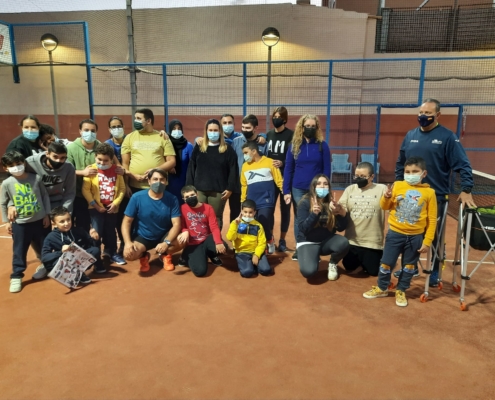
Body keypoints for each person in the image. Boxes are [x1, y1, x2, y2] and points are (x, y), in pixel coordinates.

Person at [394, 98, 475, 286]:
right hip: (410, 196)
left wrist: (466, 189)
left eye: (428, 113)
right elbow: (401, 163)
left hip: (436, 197)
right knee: (411, 233)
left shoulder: (448, 137)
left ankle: (436, 270)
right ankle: (411, 267)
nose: (423, 116)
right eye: (421, 113)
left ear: (437, 115)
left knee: (435, 236)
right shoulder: (410, 135)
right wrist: (398, 184)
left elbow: (463, 164)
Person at [363, 156, 437, 307]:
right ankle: (382, 287)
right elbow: (385, 206)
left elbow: (432, 219)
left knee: (409, 266)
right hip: (395, 234)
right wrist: (386, 197)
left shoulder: (430, 193)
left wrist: (427, 241)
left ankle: (401, 290)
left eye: (415, 171)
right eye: (407, 172)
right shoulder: (397, 185)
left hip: (416, 237)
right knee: (386, 263)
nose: (410, 174)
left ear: (424, 173)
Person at [0, 151, 51, 293]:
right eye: (11, 165)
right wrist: (7, 221)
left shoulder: (36, 178)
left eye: (18, 164)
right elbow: (3, 203)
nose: (16, 167)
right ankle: (17, 275)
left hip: (40, 221)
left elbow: (45, 196)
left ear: (24, 163)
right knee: (19, 250)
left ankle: (45, 266)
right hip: (21, 224)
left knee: (44, 246)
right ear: (5, 168)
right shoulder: (7, 183)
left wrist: (46, 215)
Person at [283, 114, 331, 261]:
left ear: (317, 128)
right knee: (301, 217)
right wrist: (286, 190)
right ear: (301, 127)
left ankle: (315, 246)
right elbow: (288, 169)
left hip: (317, 189)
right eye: (307, 126)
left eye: (313, 126)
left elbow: (327, 169)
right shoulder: (294, 146)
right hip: (298, 188)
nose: (310, 128)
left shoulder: (323, 145)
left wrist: (325, 187)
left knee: (317, 215)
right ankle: (300, 247)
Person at [67, 118, 122, 231]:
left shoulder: (101, 146)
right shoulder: (71, 148)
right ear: (80, 131)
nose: (90, 133)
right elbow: (66, 171)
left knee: (102, 228)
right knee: (82, 225)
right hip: (79, 193)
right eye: (86, 130)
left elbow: (116, 163)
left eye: (93, 131)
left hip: (99, 196)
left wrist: (121, 170)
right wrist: (82, 173)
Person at [122, 169, 181, 272]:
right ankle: (143, 255)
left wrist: (166, 242)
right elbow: (127, 221)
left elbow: (176, 224)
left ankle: (165, 254)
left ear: (166, 182)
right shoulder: (137, 197)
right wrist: (127, 242)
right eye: (155, 179)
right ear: (149, 181)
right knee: (129, 255)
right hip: (144, 236)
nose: (158, 182)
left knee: (182, 240)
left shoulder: (172, 199)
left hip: (164, 235)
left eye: (162, 179)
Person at [186, 118, 238, 231]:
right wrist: (189, 187)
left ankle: (215, 241)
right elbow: (191, 167)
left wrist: (230, 188)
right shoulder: (199, 147)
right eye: (210, 130)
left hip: (218, 191)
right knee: (199, 217)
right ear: (206, 131)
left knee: (215, 218)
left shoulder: (227, 149)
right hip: (199, 190)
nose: (213, 133)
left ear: (220, 131)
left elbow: (233, 169)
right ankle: (202, 240)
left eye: (215, 130)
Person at [295, 174, 349, 281]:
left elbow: (341, 228)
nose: (322, 186)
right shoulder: (305, 203)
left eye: (325, 184)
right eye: (319, 184)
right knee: (309, 272)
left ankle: (332, 263)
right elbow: (303, 229)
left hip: (325, 241)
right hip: (308, 241)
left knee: (343, 243)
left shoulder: (331, 203)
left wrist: (339, 213)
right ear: (313, 187)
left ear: (329, 187)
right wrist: (314, 214)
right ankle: (309, 255)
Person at [338, 162, 386, 276]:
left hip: (372, 241)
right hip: (353, 240)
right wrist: (337, 208)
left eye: (363, 176)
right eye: (357, 176)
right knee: (349, 266)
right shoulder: (350, 189)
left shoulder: (381, 189)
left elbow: (390, 205)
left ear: (372, 176)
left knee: (373, 271)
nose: (359, 179)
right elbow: (342, 208)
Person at [82, 143, 126, 267]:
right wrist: (95, 205)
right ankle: (96, 257)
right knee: (97, 232)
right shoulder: (91, 170)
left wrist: (116, 203)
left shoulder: (117, 170)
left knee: (111, 231)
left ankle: (112, 252)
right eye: (99, 159)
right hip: (95, 208)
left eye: (106, 160)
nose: (102, 162)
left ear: (111, 159)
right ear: (95, 157)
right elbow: (85, 190)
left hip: (112, 208)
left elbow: (122, 189)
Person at [241, 141, 286, 254]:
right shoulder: (245, 166)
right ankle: (259, 245)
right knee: (253, 223)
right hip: (252, 200)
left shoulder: (270, 162)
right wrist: (243, 201)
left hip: (266, 199)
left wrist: (285, 193)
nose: (244, 156)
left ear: (254, 151)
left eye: (246, 153)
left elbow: (279, 180)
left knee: (263, 220)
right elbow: (244, 185)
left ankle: (269, 240)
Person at [41, 206, 103, 285]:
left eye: (68, 219)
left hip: (79, 260)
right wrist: (61, 252)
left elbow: (93, 245)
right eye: (62, 222)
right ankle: (73, 275)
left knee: (95, 250)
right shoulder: (51, 237)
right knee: (52, 263)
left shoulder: (78, 230)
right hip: (65, 262)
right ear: (54, 223)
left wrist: (95, 238)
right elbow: (44, 257)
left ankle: (79, 273)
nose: (66, 223)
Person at [121, 108, 176, 194]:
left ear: (148, 121)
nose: (135, 121)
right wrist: (126, 184)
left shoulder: (162, 137)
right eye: (135, 118)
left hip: (158, 186)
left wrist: (155, 170)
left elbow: (171, 161)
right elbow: (125, 163)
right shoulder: (129, 137)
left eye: (139, 118)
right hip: (135, 186)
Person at [176, 185, 226, 277]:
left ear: (197, 194)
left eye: (192, 195)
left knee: (223, 248)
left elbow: (214, 227)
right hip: (193, 243)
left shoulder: (208, 208)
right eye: (187, 197)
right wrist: (185, 230)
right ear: (184, 199)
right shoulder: (182, 208)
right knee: (200, 271)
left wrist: (218, 242)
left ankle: (211, 254)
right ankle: (186, 254)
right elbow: (181, 225)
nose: (190, 198)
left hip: (206, 238)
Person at [266, 106, 294, 252]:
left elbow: (294, 156)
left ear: (285, 119)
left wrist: (283, 162)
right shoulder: (269, 134)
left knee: (285, 209)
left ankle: (282, 240)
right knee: (269, 208)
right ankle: (270, 238)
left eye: (279, 117)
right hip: (270, 178)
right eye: (274, 117)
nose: (276, 119)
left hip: (285, 178)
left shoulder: (291, 135)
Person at [231, 115, 268, 222]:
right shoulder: (236, 142)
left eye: (248, 128)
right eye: (243, 127)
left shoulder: (263, 144)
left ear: (255, 128)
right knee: (235, 213)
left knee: (254, 214)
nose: (244, 130)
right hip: (238, 186)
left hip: (256, 186)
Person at [226, 199, 272, 278]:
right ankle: (251, 266)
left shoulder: (258, 226)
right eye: (245, 212)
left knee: (266, 270)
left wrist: (257, 255)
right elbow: (230, 238)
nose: (247, 215)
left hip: (255, 251)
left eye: (250, 212)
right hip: (242, 252)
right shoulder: (236, 223)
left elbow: (262, 242)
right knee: (247, 272)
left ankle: (253, 264)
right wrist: (235, 225)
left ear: (255, 212)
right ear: (241, 211)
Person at [105, 116, 128, 255]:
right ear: (109, 129)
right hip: (113, 188)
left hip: (129, 184)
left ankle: (127, 243)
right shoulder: (107, 145)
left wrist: (128, 185)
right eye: (113, 127)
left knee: (128, 216)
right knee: (116, 219)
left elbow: (127, 167)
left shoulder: (130, 140)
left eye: (119, 126)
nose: (117, 129)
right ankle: (114, 247)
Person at [166, 119, 194, 205]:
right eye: (174, 128)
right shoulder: (166, 144)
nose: (177, 131)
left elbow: (192, 165)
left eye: (179, 128)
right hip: (168, 182)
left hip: (183, 182)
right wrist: (169, 165)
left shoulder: (188, 146)